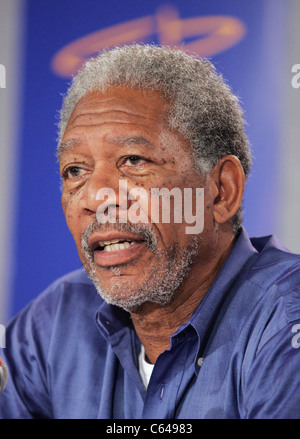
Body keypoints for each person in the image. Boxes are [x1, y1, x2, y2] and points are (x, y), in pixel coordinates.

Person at [0, 44, 300, 419]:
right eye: (75, 170)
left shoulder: (287, 318)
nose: (95, 196)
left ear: (222, 191)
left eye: (134, 161)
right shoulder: (54, 324)